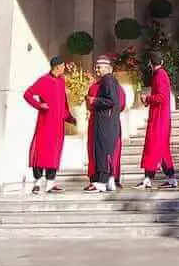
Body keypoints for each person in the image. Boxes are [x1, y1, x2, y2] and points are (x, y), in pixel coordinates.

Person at [23, 56, 75, 195]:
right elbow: (27, 94)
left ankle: (50, 183)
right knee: (41, 150)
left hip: (58, 124)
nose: (64, 68)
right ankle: (38, 182)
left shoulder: (61, 80)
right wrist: (39, 105)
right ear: (57, 66)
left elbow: (63, 102)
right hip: (45, 123)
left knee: (55, 152)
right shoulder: (43, 80)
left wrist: (69, 117)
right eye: (63, 66)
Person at [137, 51, 177, 189]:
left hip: (159, 118)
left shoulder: (160, 75)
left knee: (152, 147)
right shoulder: (160, 75)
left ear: (150, 63)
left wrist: (147, 99)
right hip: (161, 117)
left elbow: (162, 97)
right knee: (163, 149)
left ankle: (148, 179)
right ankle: (171, 178)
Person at [84, 55, 122, 194]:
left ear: (108, 68)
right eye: (96, 67)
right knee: (103, 151)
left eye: (99, 67)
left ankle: (100, 183)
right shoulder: (110, 81)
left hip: (105, 121)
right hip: (107, 121)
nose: (96, 69)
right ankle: (106, 181)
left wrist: (95, 100)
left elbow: (110, 101)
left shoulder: (108, 80)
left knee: (102, 151)